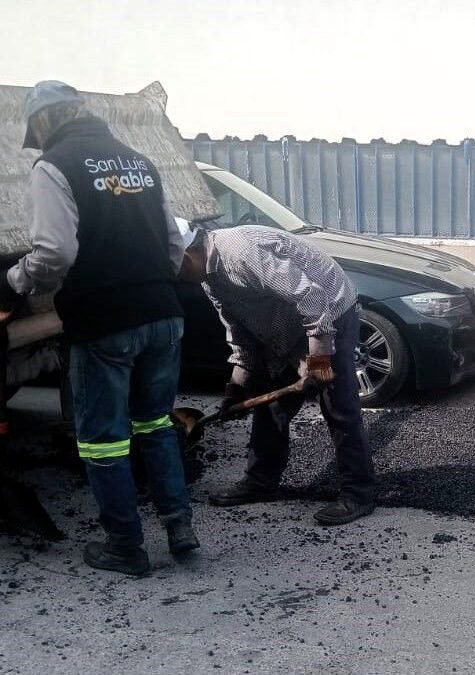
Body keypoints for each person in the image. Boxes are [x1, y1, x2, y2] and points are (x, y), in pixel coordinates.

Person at [0, 81, 198, 575]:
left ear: (44, 121)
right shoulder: (140, 161)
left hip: (105, 322)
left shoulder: (54, 165)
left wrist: (14, 281)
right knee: (155, 424)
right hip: (164, 313)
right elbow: (174, 244)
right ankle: (180, 529)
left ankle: (125, 548)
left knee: (104, 440)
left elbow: (55, 253)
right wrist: (149, 283)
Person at [176, 222, 376, 525]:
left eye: (175, 270)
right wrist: (236, 389)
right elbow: (239, 332)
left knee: (338, 406)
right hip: (286, 324)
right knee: (270, 406)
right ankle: (260, 481)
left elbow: (312, 298)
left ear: (187, 255)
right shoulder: (208, 277)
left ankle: (359, 492)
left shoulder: (242, 253)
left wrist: (319, 362)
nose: (176, 279)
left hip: (330, 313)